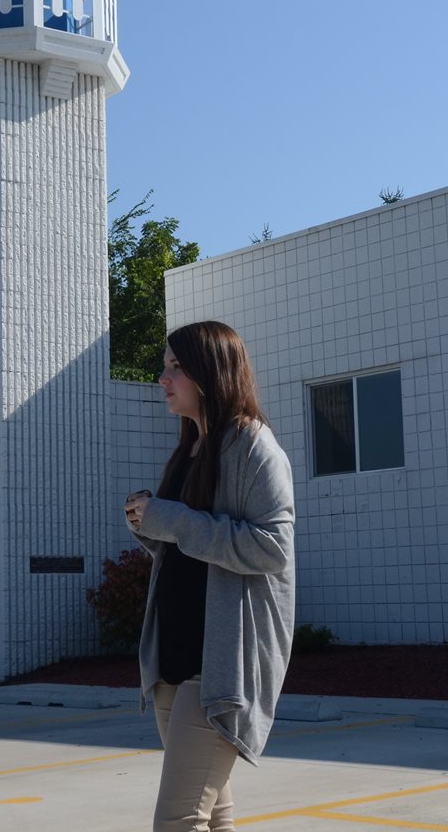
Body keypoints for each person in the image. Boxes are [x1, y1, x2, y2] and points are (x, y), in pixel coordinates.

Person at [124, 321, 295, 832]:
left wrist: (171, 520)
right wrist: (148, 525)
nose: (162, 377)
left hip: (220, 666)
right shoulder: (189, 447)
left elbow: (272, 549)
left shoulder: (253, 447)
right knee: (213, 816)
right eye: (166, 365)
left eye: (176, 367)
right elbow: (188, 543)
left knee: (178, 821)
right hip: (174, 662)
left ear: (210, 372)